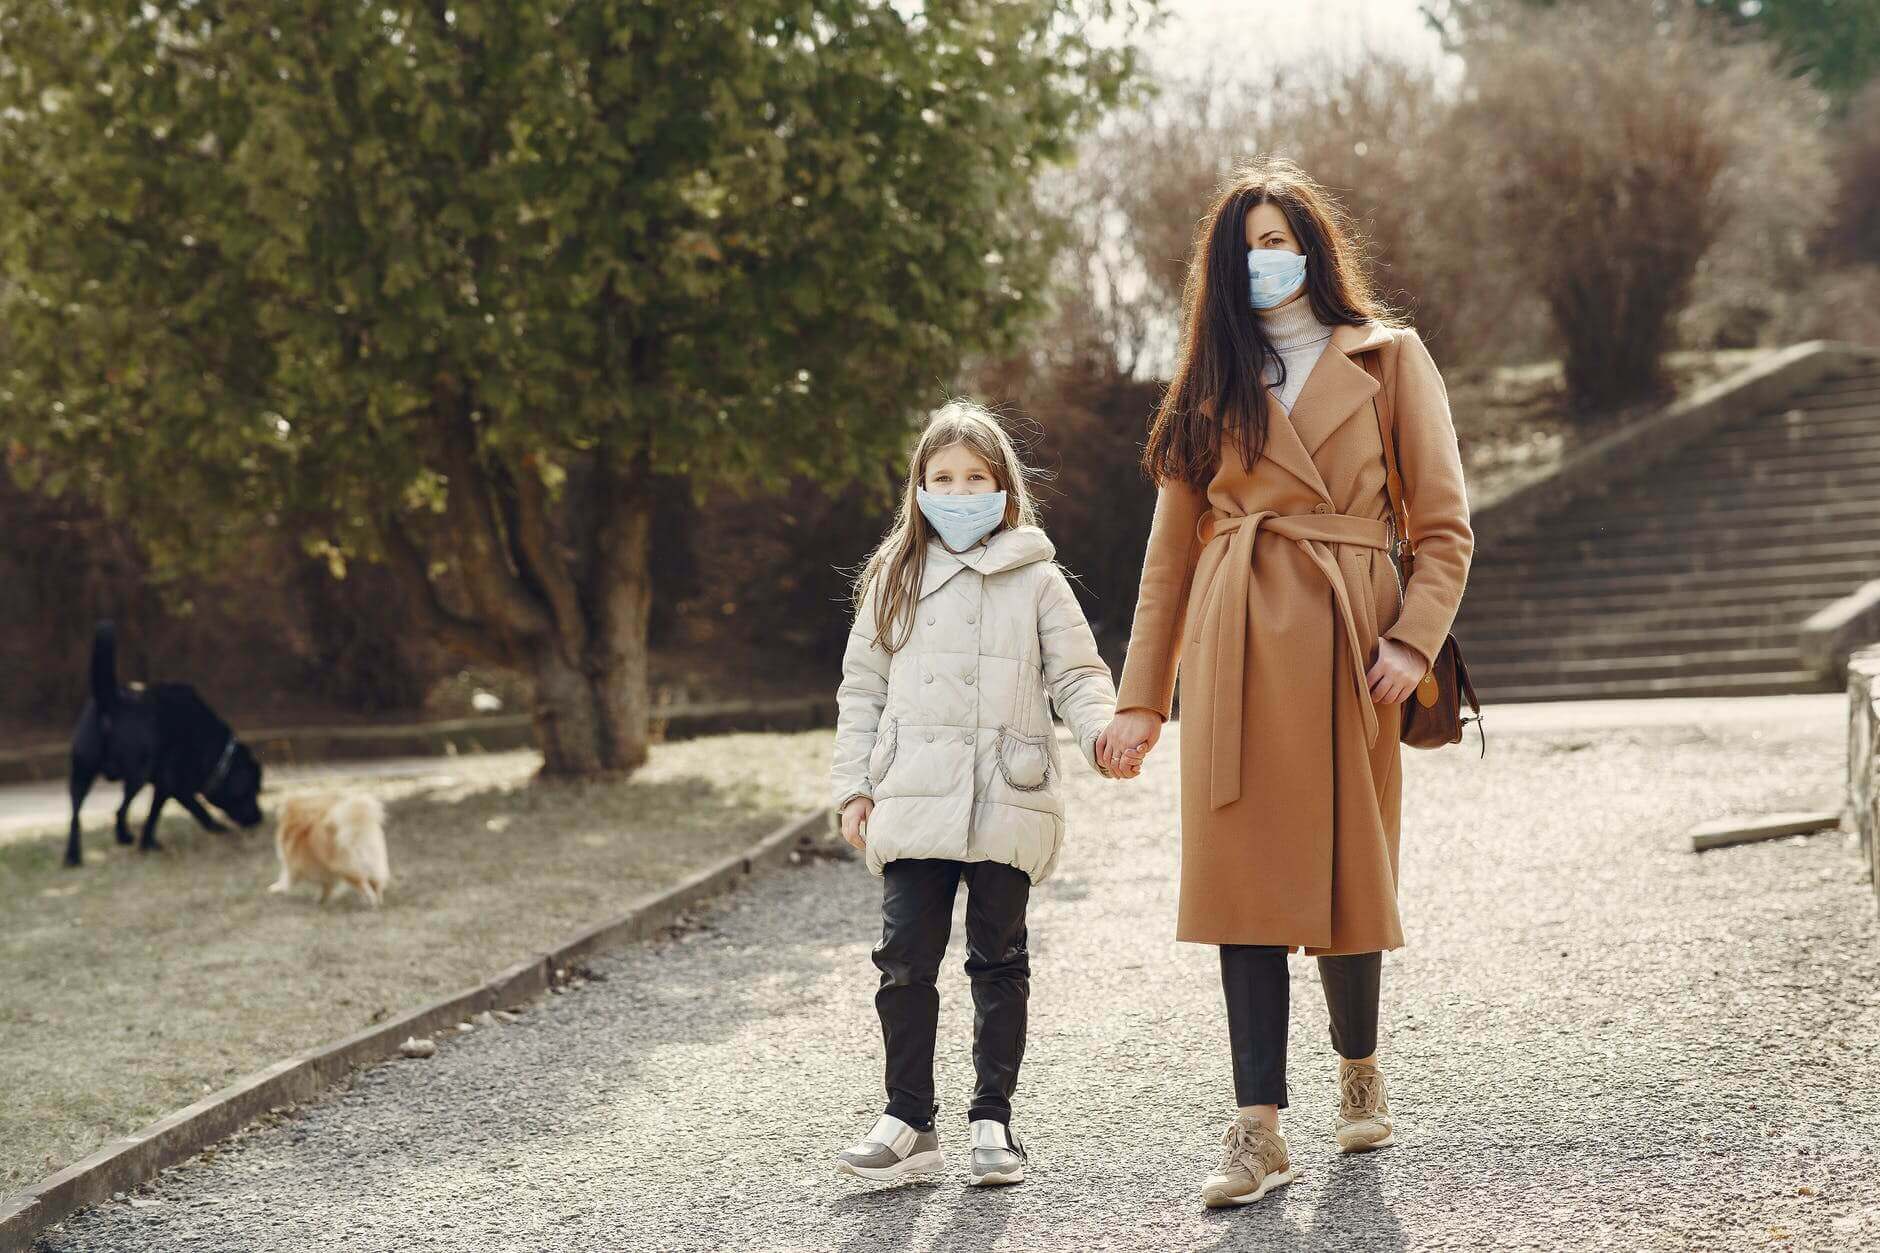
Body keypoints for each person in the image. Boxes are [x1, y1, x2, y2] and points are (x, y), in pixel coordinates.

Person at [1095, 156, 1473, 1209]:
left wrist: (1411, 638)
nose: (1262, 260)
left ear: (1313, 246)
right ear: (1220, 268)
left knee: (1352, 860)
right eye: (1243, 246)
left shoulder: (1389, 358)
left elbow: (1441, 525)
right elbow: (1167, 555)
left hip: (1351, 638)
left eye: (1277, 238)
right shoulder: (1206, 382)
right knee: (1239, 874)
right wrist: (1138, 698)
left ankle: (1357, 1062)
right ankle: (1256, 1126)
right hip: (1233, 637)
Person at [829, 400, 1131, 1187]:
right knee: (903, 958)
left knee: (998, 960)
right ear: (918, 488)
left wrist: (1102, 734)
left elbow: (1076, 674)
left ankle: (993, 1120)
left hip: (1008, 790)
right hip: (911, 795)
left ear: (1004, 490)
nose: (959, 492)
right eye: (943, 478)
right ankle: (908, 1119)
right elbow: (861, 689)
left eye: (976, 478)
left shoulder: (1036, 578)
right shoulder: (893, 576)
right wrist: (853, 786)